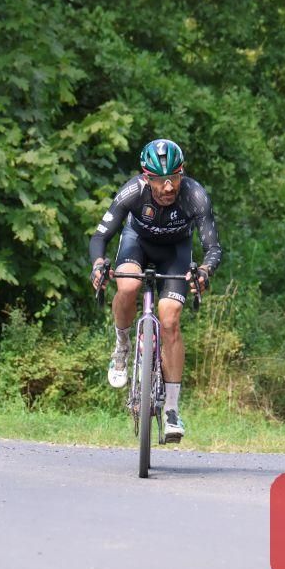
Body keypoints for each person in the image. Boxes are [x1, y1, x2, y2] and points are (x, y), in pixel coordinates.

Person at [89, 139, 222, 442]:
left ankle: (172, 410)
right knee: (129, 284)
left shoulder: (195, 196)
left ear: (182, 173)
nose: (168, 187)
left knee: (170, 318)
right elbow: (100, 237)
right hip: (137, 243)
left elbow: (213, 247)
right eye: (160, 180)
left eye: (174, 177)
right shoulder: (132, 191)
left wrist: (204, 271)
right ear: (146, 177)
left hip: (175, 252)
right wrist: (98, 265)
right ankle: (122, 347)